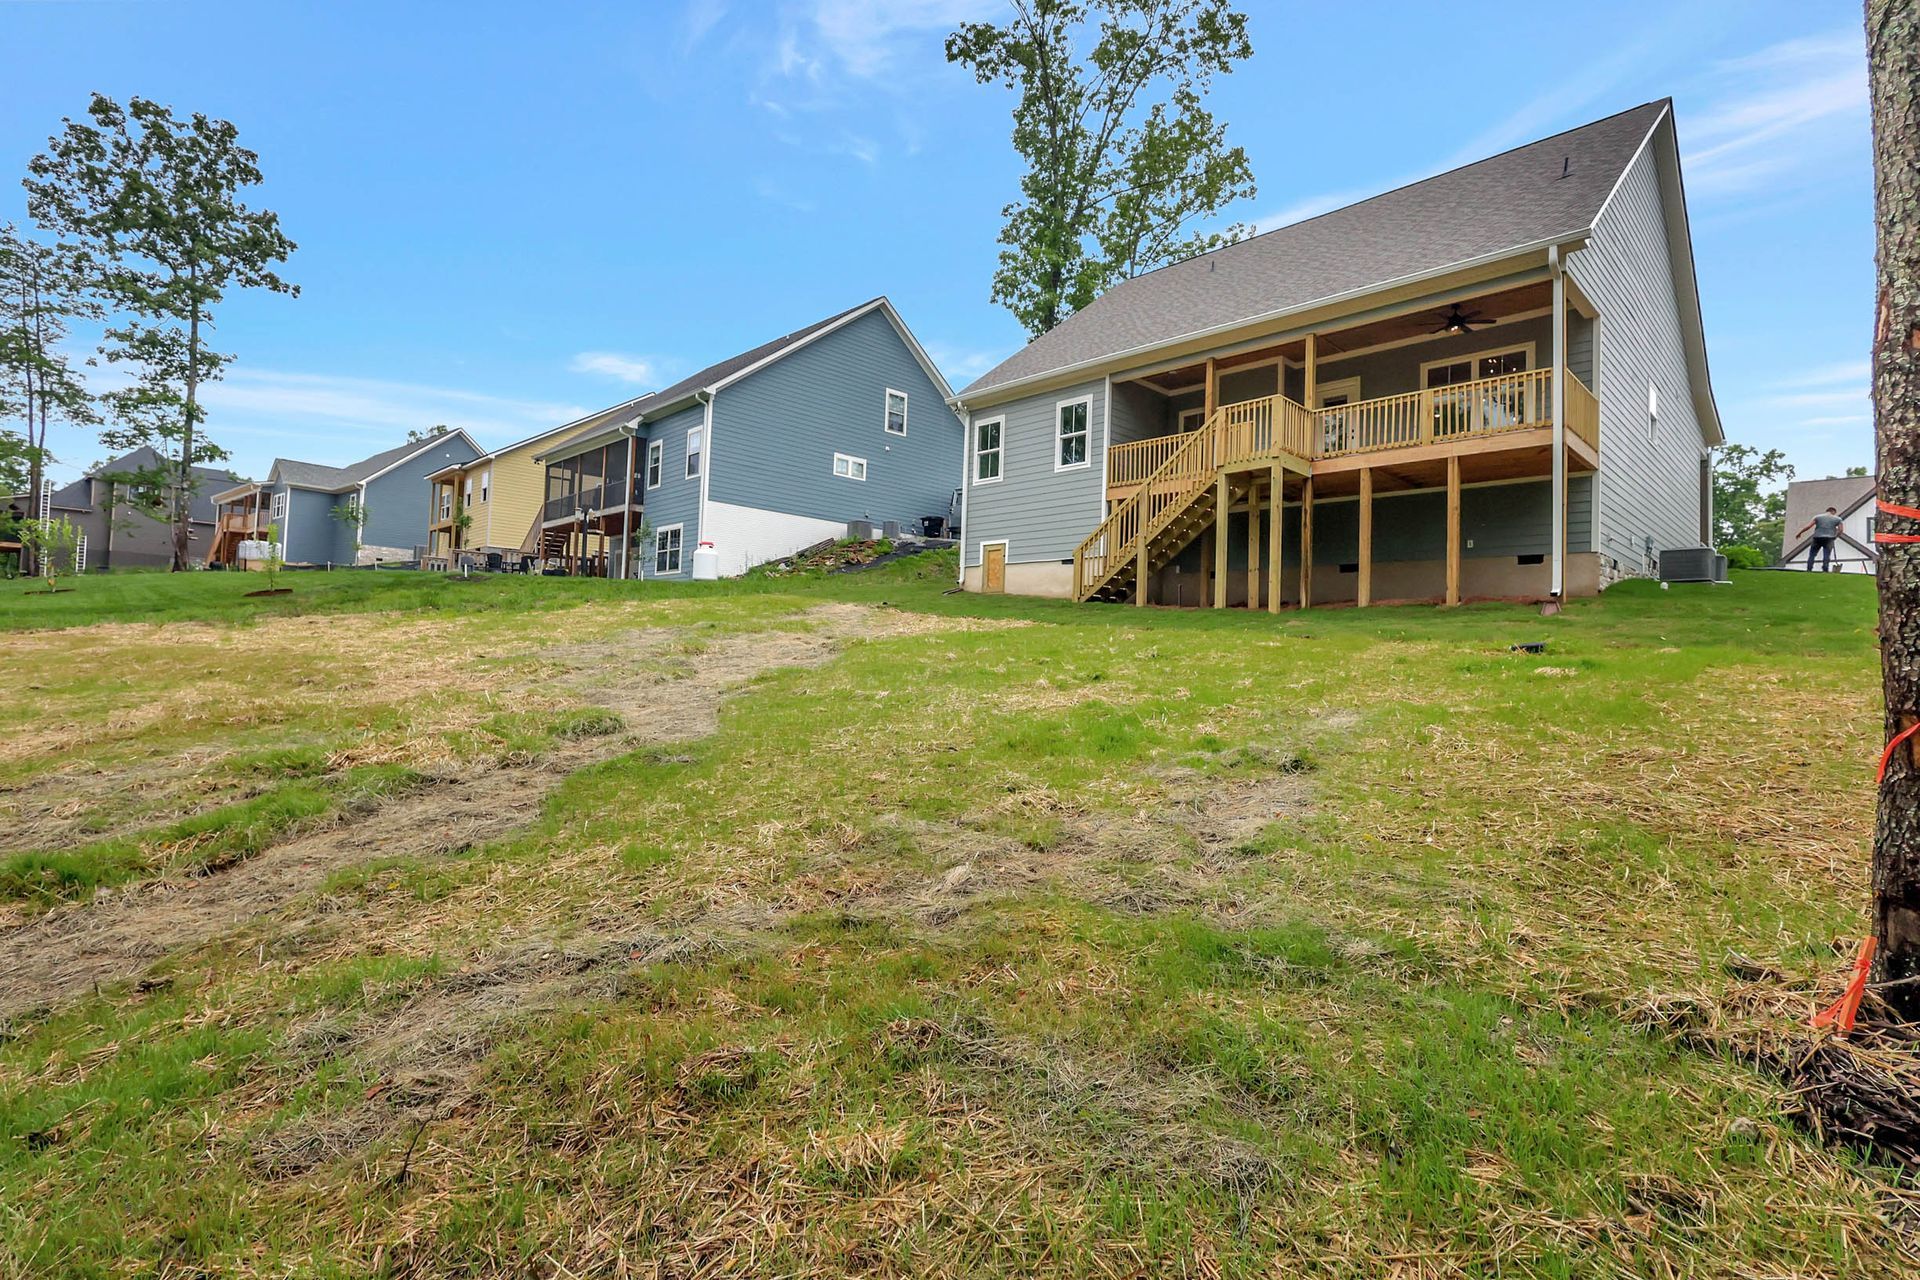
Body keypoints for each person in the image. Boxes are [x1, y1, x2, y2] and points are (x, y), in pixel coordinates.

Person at [1796, 506, 1844, 571]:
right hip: (1829, 538)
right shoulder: (1838, 519)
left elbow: (1809, 526)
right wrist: (1835, 536)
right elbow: (1841, 530)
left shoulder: (1818, 517)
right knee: (1826, 555)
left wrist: (1800, 533)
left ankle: (1809, 569)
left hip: (1817, 537)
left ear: (1827, 511)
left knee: (1812, 554)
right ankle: (1825, 569)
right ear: (1833, 511)